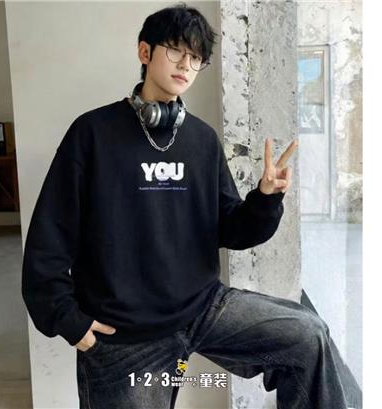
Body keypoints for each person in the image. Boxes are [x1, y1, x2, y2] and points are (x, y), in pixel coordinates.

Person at [21, 3, 348, 408]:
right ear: (145, 52)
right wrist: (68, 320)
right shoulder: (92, 133)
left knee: (307, 337)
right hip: (125, 335)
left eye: (196, 58)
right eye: (176, 50)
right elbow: (50, 236)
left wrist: (265, 198)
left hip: (202, 308)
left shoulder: (202, 140)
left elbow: (232, 229)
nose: (186, 65)